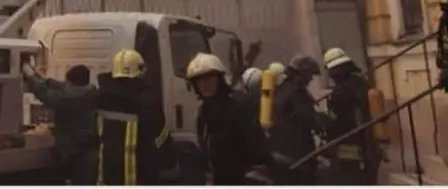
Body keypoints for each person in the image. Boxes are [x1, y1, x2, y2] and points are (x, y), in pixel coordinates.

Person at [187, 53, 272, 185]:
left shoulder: (238, 106)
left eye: (210, 77)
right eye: (200, 80)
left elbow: (256, 146)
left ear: (219, 79)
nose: (205, 84)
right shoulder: (204, 112)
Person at [96, 48, 176, 185]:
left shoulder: (100, 98)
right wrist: (169, 162)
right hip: (139, 177)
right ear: (140, 71)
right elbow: (161, 140)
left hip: (107, 176)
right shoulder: (147, 102)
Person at [22, 61, 98, 185]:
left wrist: (30, 76)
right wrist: (43, 78)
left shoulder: (66, 99)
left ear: (71, 83)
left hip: (71, 151)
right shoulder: (91, 92)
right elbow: (62, 86)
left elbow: (43, 93)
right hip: (89, 150)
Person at [323, 47, 380, 185]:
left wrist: (323, 122)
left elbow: (334, 122)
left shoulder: (338, 93)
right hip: (370, 143)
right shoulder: (363, 83)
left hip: (349, 147)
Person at [269, 54, 323, 185]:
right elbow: (310, 119)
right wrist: (322, 124)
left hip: (277, 150)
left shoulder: (279, 90)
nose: (310, 79)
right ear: (301, 74)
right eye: (309, 75)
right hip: (297, 154)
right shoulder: (297, 93)